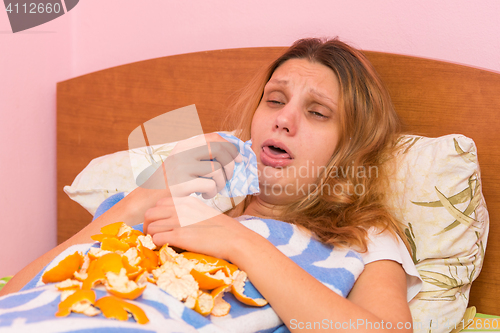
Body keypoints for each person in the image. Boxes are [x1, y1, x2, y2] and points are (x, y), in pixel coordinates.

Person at [0, 38, 420, 332]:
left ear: (349, 147)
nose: (283, 119)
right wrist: (140, 200)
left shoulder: (362, 237)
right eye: (274, 100)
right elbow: (15, 295)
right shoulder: (195, 197)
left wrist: (238, 241)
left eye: (317, 112)